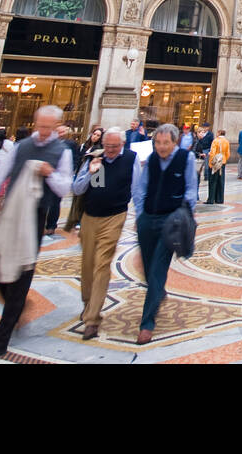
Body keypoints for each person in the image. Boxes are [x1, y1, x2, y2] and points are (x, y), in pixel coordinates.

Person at [0, 105, 74, 363]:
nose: (43, 132)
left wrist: (49, 174)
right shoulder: (20, 146)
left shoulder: (62, 152)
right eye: (40, 126)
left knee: (21, 278)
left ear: (57, 126)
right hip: (10, 213)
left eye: (49, 127)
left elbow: (65, 188)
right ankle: (18, 308)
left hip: (34, 217)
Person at [131, 122, 197, 344]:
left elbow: (191, 189)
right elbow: (141, 188)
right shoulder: (151, 159)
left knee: (158, 268)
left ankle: (146, 323)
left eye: (165, 143)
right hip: (148, 218)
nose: (161, 147)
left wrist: (184, 214)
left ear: (174, 142)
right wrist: (140, 215)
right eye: (157, 142)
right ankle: (157, 292)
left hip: (171, 221)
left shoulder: (185, 159)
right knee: (149, 269)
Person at [70, 127, 136, 339]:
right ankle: (88, 304)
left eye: (114, 147)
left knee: (102, 263)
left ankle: (92, 319)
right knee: (87, 264)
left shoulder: (130, 160)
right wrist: (90, 173)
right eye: (107, 146)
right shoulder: (93, 159)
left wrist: (142, 216)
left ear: (122, 146)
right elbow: (77, 189)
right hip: (89, 217)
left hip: (115, 216)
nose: (110, 150)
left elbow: (138, 189)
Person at [65, 125, 103, 232]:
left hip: (88, 175)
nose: (95, 137)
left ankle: (80, 220)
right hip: (79, 172)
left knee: (83, 199)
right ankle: (74, 218)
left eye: (98, 135)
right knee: (76, 198)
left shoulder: (98, 149)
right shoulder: (84, 146)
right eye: (94, 134)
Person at [205, 129, 230, 204]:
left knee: (213, 181)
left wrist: (210, 163)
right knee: (221, 180)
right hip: (222, 161)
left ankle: (211, 199)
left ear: (219, 133)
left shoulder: (215, 141)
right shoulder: (226, 141)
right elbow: (228, 153)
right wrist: (224, 159)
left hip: (215, 162)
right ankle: (219, 199)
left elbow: (212, 153)